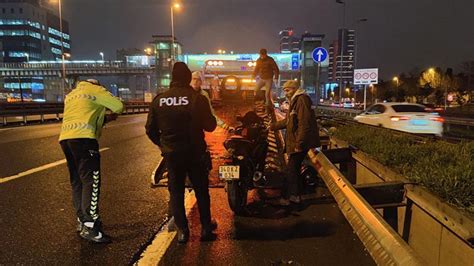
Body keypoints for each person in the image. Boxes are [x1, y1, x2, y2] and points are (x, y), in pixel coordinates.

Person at [145, 62, 218, 244]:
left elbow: (150, 129)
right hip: (195, 153)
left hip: (172, 154)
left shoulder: (159, 100)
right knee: (201, 191)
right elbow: (211, 125)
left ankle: (183, 231)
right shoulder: (197, 98)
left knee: (176, 192)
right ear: (187, 78)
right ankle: (205, 229)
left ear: (172, 78)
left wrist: (163, 145)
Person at [59, 79, 123, 243]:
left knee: (77, 182)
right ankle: (91, 225)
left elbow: (85, 114)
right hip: (84, 140)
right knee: (91, 181)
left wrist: (103, 119)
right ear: (97, 85)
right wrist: (110, 113)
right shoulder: (96, 90)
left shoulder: (71, 95)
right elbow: (118, 106)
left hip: (66, 139)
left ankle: (81, 221)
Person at [270, 80, 320, 205]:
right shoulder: (294, 100)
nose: (285, 93)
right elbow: (288, 121)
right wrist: (272, 127)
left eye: (288, 90)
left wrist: (300, 143)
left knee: (291, 170)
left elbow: (304, 123)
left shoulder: (301, 100)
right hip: (297, 141)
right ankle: (295, 196)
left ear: (294, 89)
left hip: (300, 142)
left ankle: (291, 197)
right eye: (285, 90)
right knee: (293, 169)